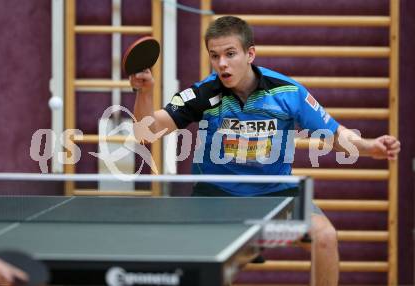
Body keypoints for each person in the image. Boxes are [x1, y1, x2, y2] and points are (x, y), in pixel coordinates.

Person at [129, 15, 400, 286]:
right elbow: (146, 133)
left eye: (230, 54)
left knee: (325, 237)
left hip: (276, 193)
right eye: (215, 55)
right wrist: (145, 92)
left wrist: (370, 147)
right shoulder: (204, 94)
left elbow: (334, 133)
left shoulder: (286, 92)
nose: (222, 63)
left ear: (250, 54)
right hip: (216, 196)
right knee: (202, 266)